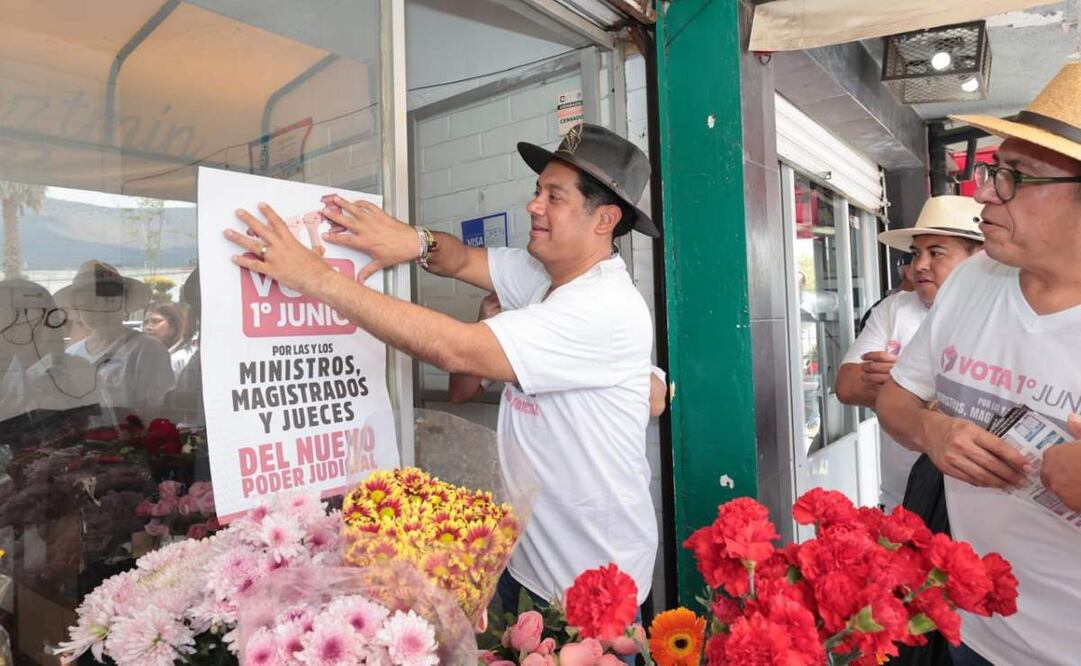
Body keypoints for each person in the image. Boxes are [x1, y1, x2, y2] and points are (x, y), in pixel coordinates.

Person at [224, 124, 662, 613]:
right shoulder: (544, 272)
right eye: (537, 191)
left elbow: (457, 350)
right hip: (522, 560)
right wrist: (412, 240)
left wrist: (316, 278)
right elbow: (461, 260)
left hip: (591, 589)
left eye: (553, 197)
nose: (533, 205)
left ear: (604, 219)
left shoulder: (602, 306)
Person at [876, 62, 1081, 666]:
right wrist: (932, 431)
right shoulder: (974, 283)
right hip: (973, 630)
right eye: (992, 171)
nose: (984, 193)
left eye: (1014, 178)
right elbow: (897, 400)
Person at [836, 195, 984, 510]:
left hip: (981, 505)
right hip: (901, 499)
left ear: (979, 257)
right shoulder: (895, 309)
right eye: (916, 253)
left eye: (936, 253)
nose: (919, 265)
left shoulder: (997, 315)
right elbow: (847, 386)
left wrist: (904, 382)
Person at [449, 292, 669, 418]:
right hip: (525, 478)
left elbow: (656, 402)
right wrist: (482, 322)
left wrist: (580, 350)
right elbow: (460, 394)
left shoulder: (601, 319)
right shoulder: (520, 328)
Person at [55, 261, 175, 420]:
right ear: (77, 309)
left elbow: (157, 410)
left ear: (124, 304)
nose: (99, 308)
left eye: (109, 300)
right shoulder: (70, 354)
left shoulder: (147, 350)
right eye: (88, 302)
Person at [142, 301, 195, 378]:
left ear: (173, 325)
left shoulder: (178, 358)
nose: (148, 327)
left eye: (155, 321)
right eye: (146, 322)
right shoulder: (146, 357)